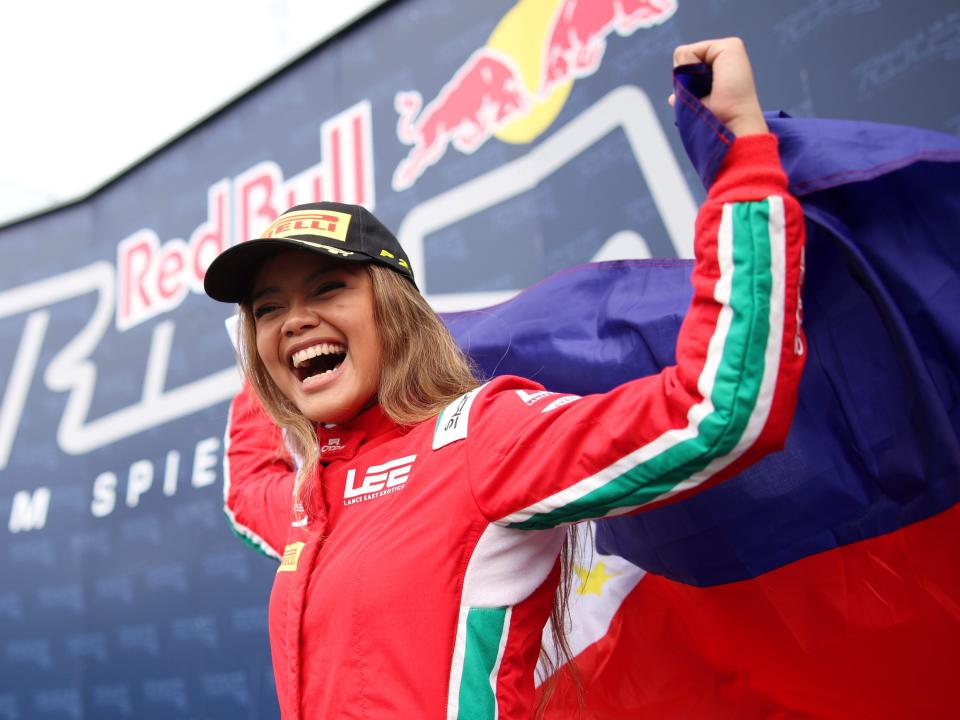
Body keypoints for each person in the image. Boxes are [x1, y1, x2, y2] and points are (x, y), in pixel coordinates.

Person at [203, 37, 806, 720]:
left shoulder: (482, 436)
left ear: (393, 309)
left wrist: (742, 156)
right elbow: (245, 484)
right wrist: (258, 351)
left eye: (327, 289)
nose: (296, 320)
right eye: (270, 308)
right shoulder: (309, 496)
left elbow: (713, 409)